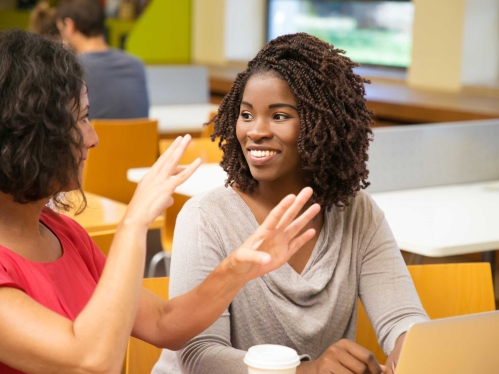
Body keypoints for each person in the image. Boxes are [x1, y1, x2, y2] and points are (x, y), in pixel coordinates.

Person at [0, 30, 320, 374]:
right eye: (81, 120)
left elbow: (164, 323)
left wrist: (237, 270)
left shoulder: (64, 234)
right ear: (28, 133)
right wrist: (133, 223)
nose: (93, 139)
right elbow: (89, 361)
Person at [153, 33, 429, 374]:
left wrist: (411, 347)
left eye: (279, 116)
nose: (256, 131)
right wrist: (306, 372)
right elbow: (199, 357)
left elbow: (402, 318)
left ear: (321, 124)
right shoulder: (206, 217)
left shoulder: (357, 213)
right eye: (246, 114)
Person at [55, 0, 149, 120]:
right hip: (139, 139)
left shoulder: (71, 68)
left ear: (69, 25)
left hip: (95, 139)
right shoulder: (136, 65)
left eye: (60, 30)